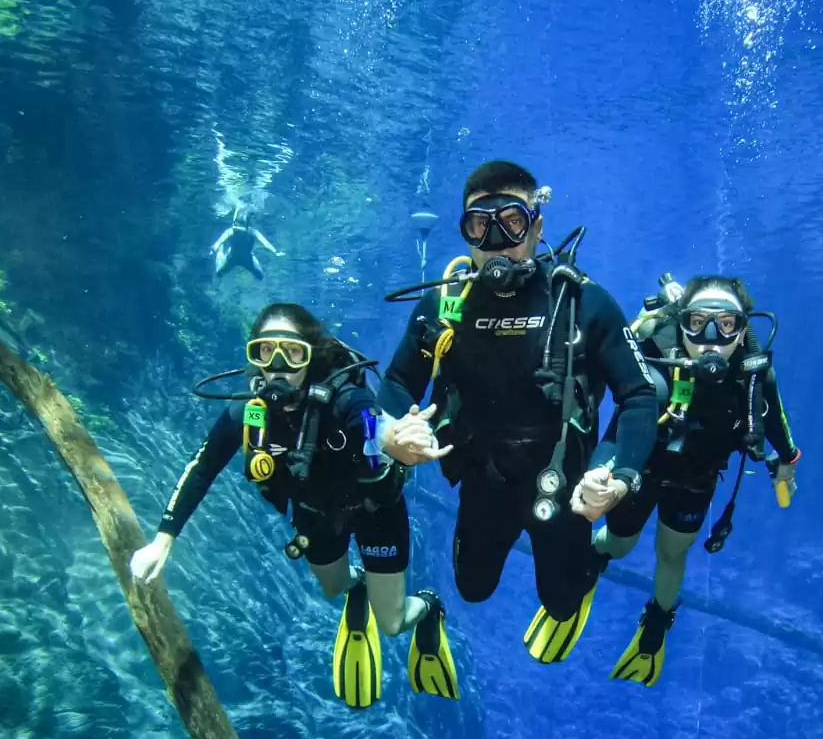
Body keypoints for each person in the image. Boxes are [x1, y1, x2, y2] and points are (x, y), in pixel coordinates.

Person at [375, 160, 660, 664]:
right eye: (479, 226)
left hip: (565, 485)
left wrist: (620, 476)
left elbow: (638, 394)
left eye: (512, 223)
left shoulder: (582, 303)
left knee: (563, 603)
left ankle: (592, 556)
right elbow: (397, 383)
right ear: (464, 232)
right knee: (472, 589)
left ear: (537, 226)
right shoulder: (444, 306)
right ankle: (436, 611)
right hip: (484, 481)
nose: (496, 242)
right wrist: (386, 436)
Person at [129, 302, 458, 707]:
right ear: (255, 359)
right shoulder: (249, 415)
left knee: (391, 623)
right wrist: (163, 539)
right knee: (334, 587)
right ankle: (359, 588)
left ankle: (428, 607)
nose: (279, 366)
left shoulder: (341, 399)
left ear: (312, 355)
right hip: (316, 518)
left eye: (293, 353)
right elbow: (203, 467)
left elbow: (374, 421)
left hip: (376, 511)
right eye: (266, 353)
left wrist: (397, 437)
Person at [593, 274, 802, 686]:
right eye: (697, 323)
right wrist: (638, 329)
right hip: (641, 472)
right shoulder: (654, 354)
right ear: (680, 322)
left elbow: (777, 427)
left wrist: (786, 466)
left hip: (697, 480)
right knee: (618, 544)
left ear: (743, 331)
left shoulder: (753, 378)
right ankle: (590, 557)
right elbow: (614, 406)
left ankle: (657, 620)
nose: (710, 338)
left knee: (674, 552)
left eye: (726, 325)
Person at [212, 204, 282, 280]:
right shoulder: (231, 231)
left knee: (260, 276)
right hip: (233, 257)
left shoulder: (252, 232)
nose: (240, 229)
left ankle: (251, 256)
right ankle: (220, 253)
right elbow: (219, 242)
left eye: (242, 226)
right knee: (219, 274)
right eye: (239, 225)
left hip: (248, 258)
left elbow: (266, 243)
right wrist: (215, 249)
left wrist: (275, 252)